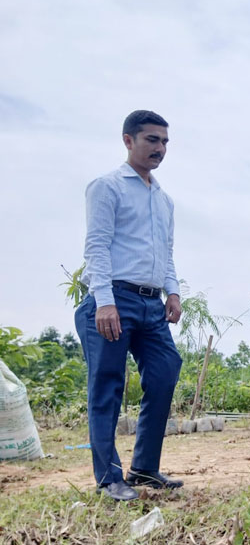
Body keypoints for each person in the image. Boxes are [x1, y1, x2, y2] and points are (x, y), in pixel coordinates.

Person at [74, 110, 184, 501]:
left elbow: (165, 253)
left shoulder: (164, 199)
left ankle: (144, 468)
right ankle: (109, 478)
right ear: (128, 140)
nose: (160, 148)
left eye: (165, 142)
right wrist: (104, 302)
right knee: (107, 386)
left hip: (150, 303)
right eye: (152, 140)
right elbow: (97, 246)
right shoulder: (107, 187)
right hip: (113, 300)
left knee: (165, 370)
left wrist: (172, 291)